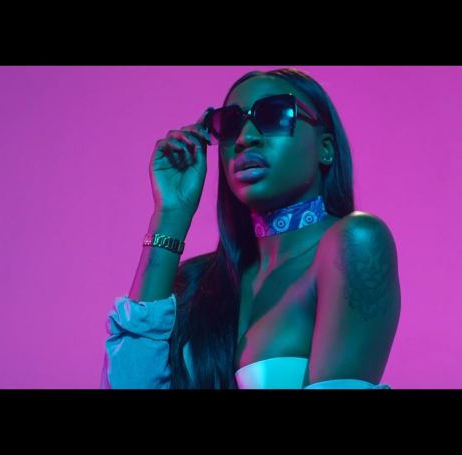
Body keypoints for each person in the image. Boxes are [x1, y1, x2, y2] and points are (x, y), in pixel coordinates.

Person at [102, 68, 401, 389]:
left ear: (325, 147)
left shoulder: (356, 243)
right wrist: (170, 215)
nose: (245, 138)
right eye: (231, 124)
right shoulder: (195, 284)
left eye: (274, 115)